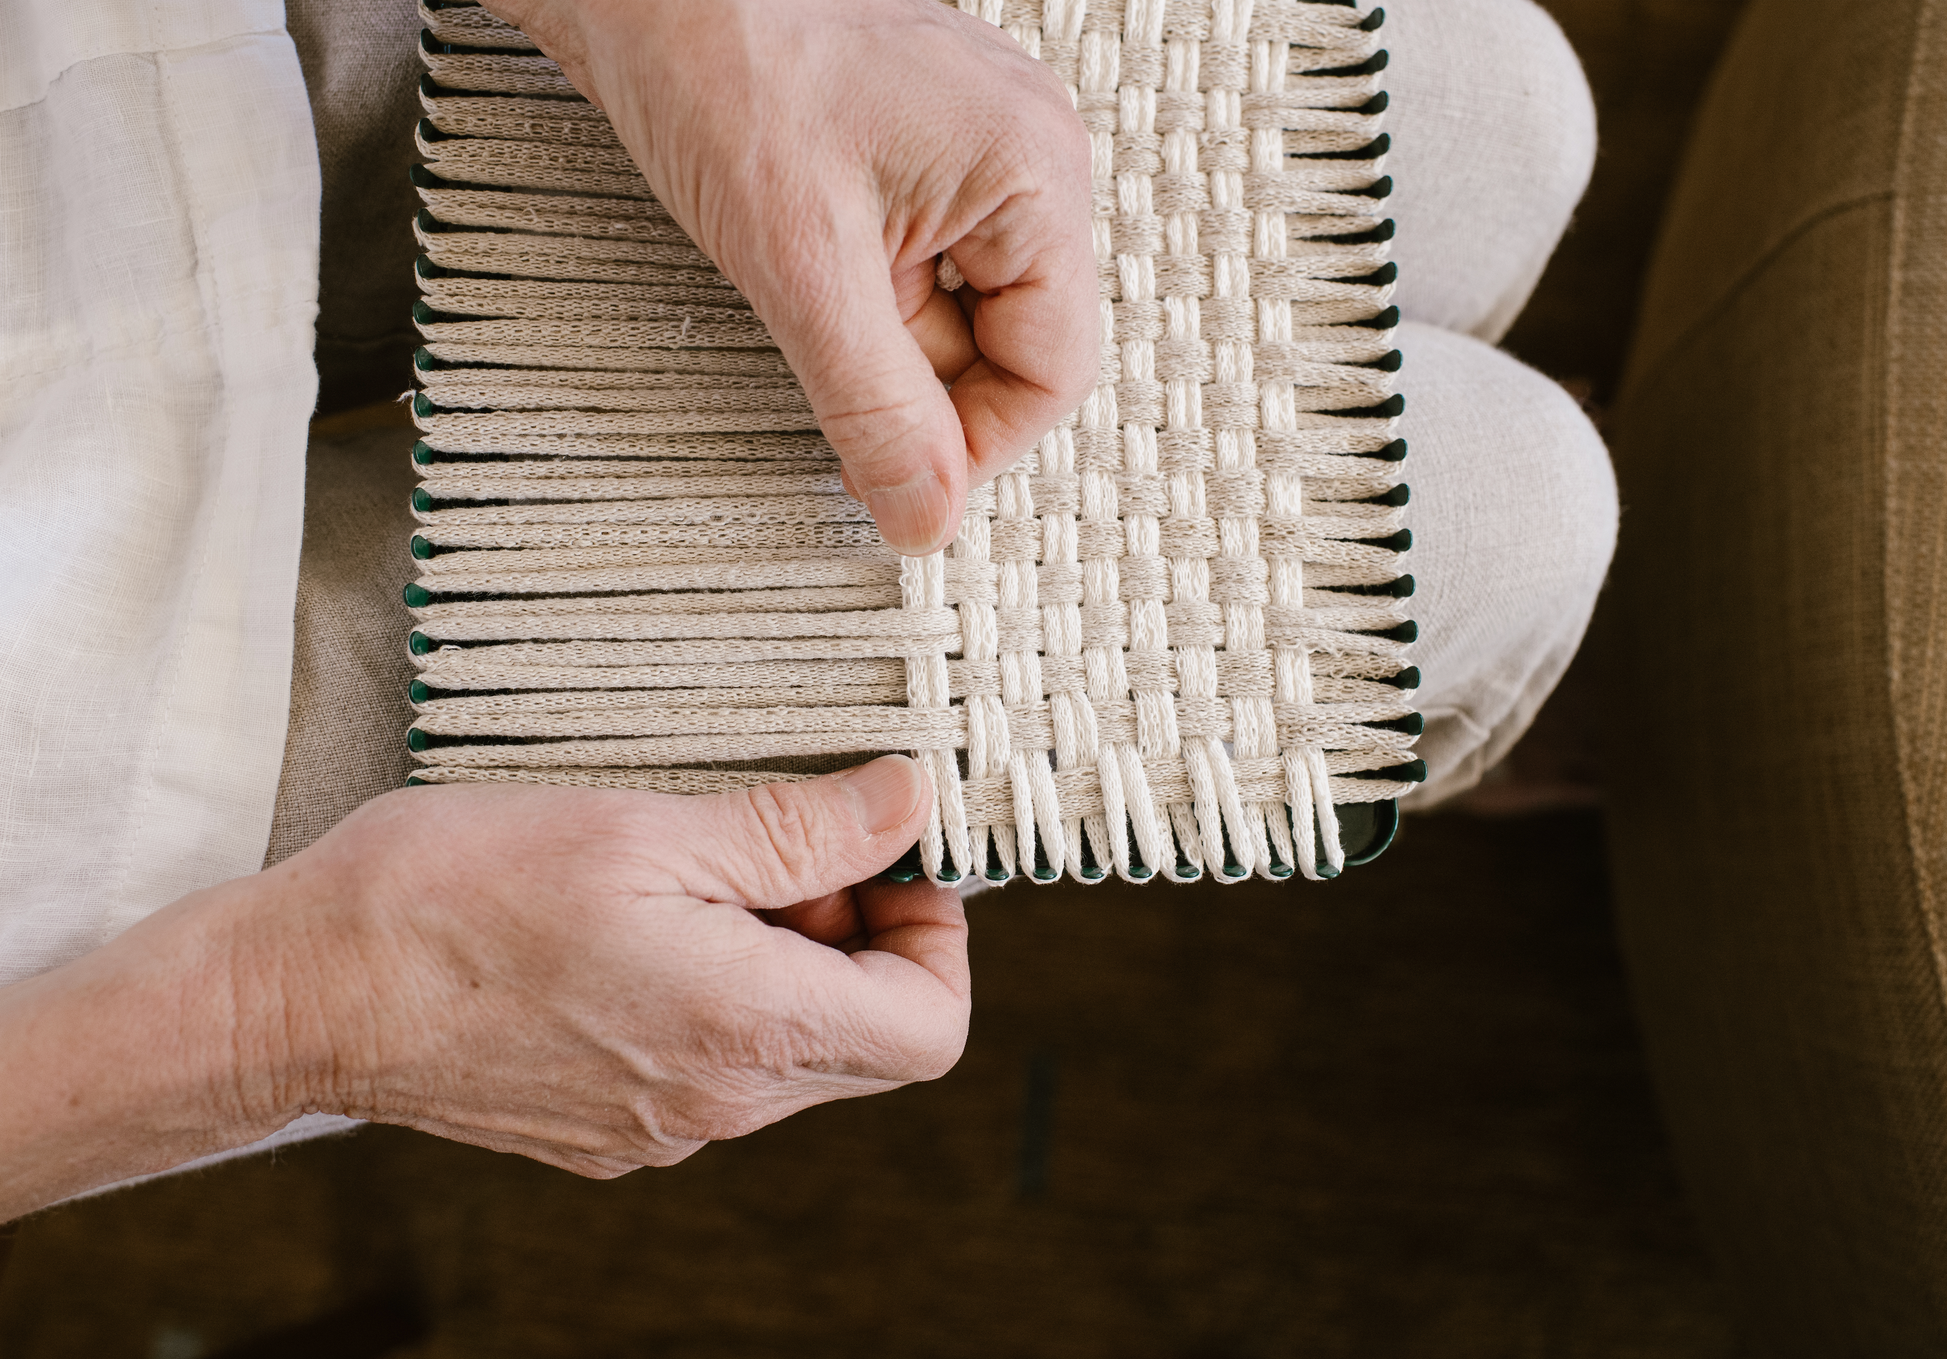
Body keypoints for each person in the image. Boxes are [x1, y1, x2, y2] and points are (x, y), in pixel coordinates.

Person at [0, 0, 1614, 1221]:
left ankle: (1399, 667)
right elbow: (284, 1010)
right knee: (1515, 516)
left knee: (1500, 108)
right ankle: (1449, 701)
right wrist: (299, 1018)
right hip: (72, 786)